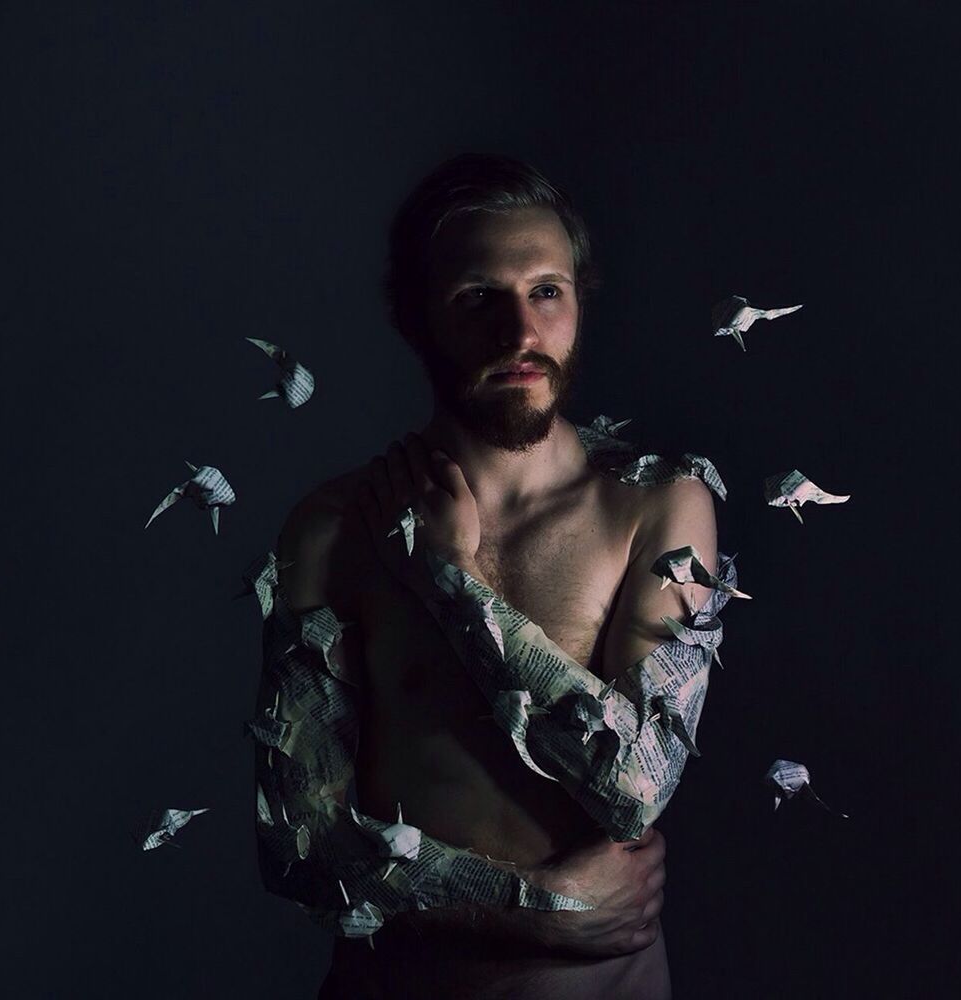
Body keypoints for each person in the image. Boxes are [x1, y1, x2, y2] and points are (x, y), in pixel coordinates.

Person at [273, 153, 719, 998]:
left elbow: (636, 787)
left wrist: (450, 580)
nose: (520, 333)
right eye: (480, 298)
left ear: (580, 302)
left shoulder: (658, 505)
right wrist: (528, 904)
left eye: (546, 291)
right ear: (415, 319)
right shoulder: (334, 530)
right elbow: (299, 840)